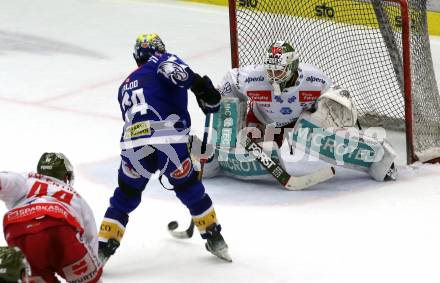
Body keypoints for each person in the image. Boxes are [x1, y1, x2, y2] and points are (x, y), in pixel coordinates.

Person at [98, 33, 231, 263]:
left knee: (126, 195)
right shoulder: (161, 60)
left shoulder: (124, 86)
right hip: (167, 138)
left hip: (133, 144)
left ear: (135, 57)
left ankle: (102, 250)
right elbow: (177, 72)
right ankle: (214, 238)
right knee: (188, 186)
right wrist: (203, 89)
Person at [205, 40, 397, 182]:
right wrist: (220, 97)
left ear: (292, 68)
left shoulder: (314, 80)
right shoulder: (253, 77)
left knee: (311, 135)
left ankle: (377, 155)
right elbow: (230, 79)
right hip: (263, 122)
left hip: (297, 123)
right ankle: (218, 159)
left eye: (278, 72)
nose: (272, 77)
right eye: (269, 71)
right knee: (253, 157)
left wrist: (330, 112)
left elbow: (334, 99)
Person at [0, 153, 102, 283]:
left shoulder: (26, 178)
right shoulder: (76, 197)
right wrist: (93, 269)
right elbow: (90, 237)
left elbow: (7, 182)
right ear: (65, 176)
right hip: (59, 227)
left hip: (18, 231)